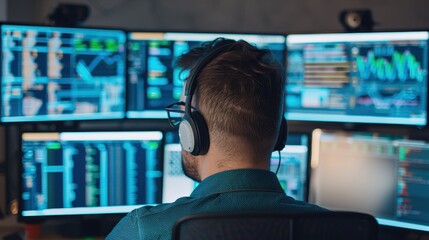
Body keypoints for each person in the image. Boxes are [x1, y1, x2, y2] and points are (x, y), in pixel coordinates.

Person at [107, 38, 324, 239]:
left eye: (183, 114)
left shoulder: (145, 230)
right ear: (280, 133)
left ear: (192, 131)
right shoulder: (338, 228)